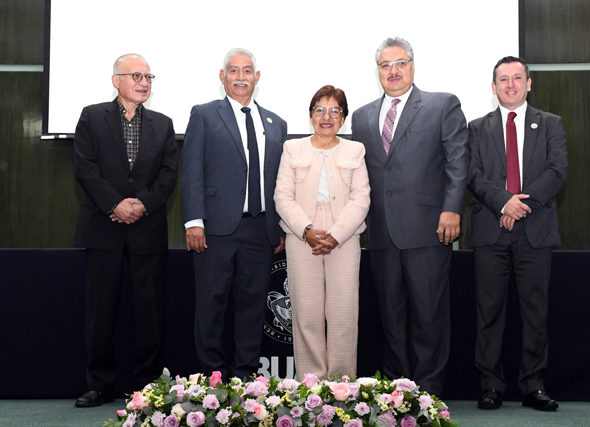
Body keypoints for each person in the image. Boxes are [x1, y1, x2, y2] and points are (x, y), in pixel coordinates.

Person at [351, 37, 469, 396]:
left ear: (412, 67)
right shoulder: (361, 116)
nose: (393, 71)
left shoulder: (441, 105)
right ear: (378, 72)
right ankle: (397, 393)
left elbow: (458, 161)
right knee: (391, 316)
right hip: (382, 232)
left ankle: (428, 393)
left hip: (429, 229)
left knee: (429, 315)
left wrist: (451, 208)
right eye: (386, 65)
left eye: (400, 63)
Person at [73, 54, 178, 407]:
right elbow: (84, 168)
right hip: (103, 227)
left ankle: (147, 387)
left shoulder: (163, 124)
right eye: (136, 75)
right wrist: (115, 204)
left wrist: (141, 205)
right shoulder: (91, 116)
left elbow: (168, 174)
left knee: (150, 312)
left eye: (149, 76)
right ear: (115, 80)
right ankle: (99, 384)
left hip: (147, 229)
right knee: (100, 312)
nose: (144, 81)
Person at [466, 56, 567, 411]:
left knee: (534, 311)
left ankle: (533, 385)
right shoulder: (477, 128)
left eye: (517, 78)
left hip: (534, 230)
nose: (511, 84)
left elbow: (557, 172)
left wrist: (520, 205)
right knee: (488, 312)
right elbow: (473, 175)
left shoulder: (550, 124)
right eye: (503, 79)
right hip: (490, 232)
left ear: (528, 83)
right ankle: (491, 385)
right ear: (493, 87)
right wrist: (503, 203)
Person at [181, 48, 287, 381]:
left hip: (261, 230)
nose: (240, 76)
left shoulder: (277, 123)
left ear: (257, 77)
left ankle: (244, 378)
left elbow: (279, 180)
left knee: (253, 307)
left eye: (247, 70)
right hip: (214, 229)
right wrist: (194, 220)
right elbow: (192, 171)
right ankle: (211, 378)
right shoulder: (204, 115)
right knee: (211, 306)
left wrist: (279, 227)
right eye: (233, 70)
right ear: (222, 76)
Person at [274, 85, 370, 380]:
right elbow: (282, 196)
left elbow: (361, 197)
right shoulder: (293, 149)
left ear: (343, 119)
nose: (326, 116)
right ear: (310, 116)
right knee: (307, 315)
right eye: (319, 110)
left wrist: (336, 235)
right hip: (302, 233)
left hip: (344, 236)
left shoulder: (355, 150)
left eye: (334, 111)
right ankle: (312, 383)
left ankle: (343, 385)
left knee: (343, 314)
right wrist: (307, 230)